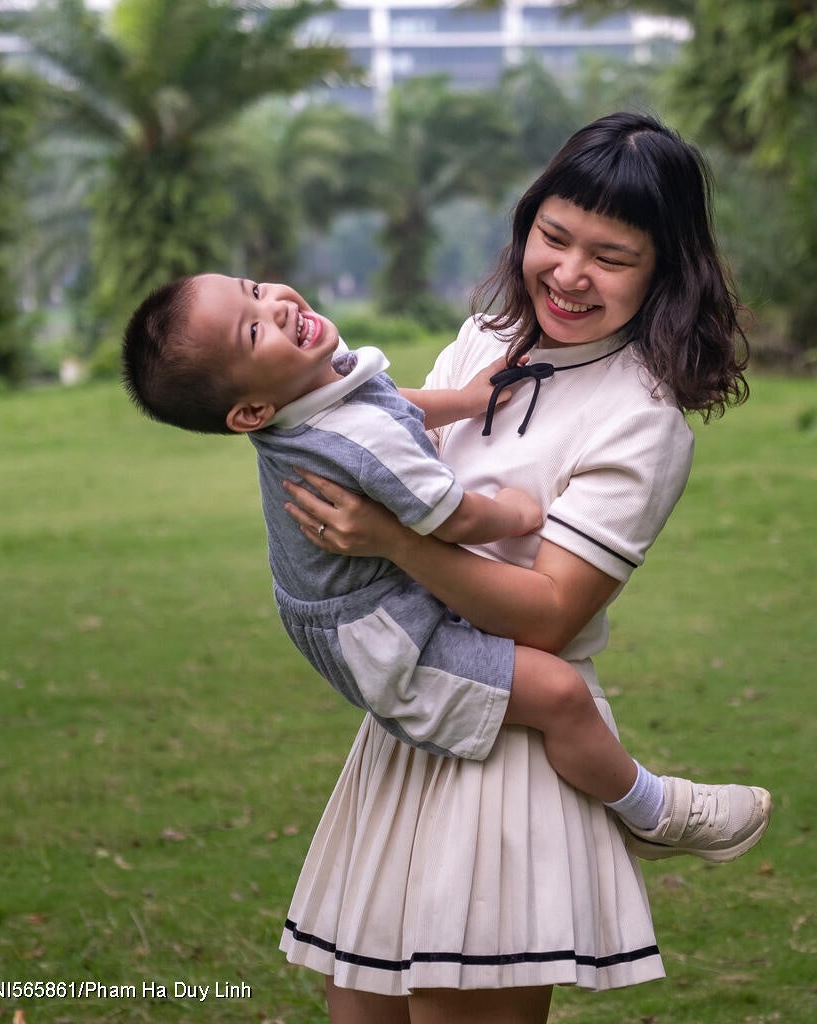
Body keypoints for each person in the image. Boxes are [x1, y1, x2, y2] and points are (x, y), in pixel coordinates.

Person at [276, 111, 756, 1023]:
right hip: (410, 720)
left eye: (611, 257)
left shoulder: (640, 419)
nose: (570, 275)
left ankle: (654, 809)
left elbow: (547, 616)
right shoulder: (484, 339)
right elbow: (389, 442)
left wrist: (396, 544)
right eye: (555, 237)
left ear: (664, 271)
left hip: (510, 751)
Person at [119, 273, 770, 860]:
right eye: (253, 329)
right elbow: (450, 516)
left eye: (253, 289)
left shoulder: (311, 394)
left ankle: (644, 807)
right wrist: (513, 513)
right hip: (391, 643)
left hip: (365, 608)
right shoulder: (350, 441)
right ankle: (651, 812)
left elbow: (386, 404)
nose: (278, 305)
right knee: (561, 696)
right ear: (251, 413)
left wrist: (461, 400)